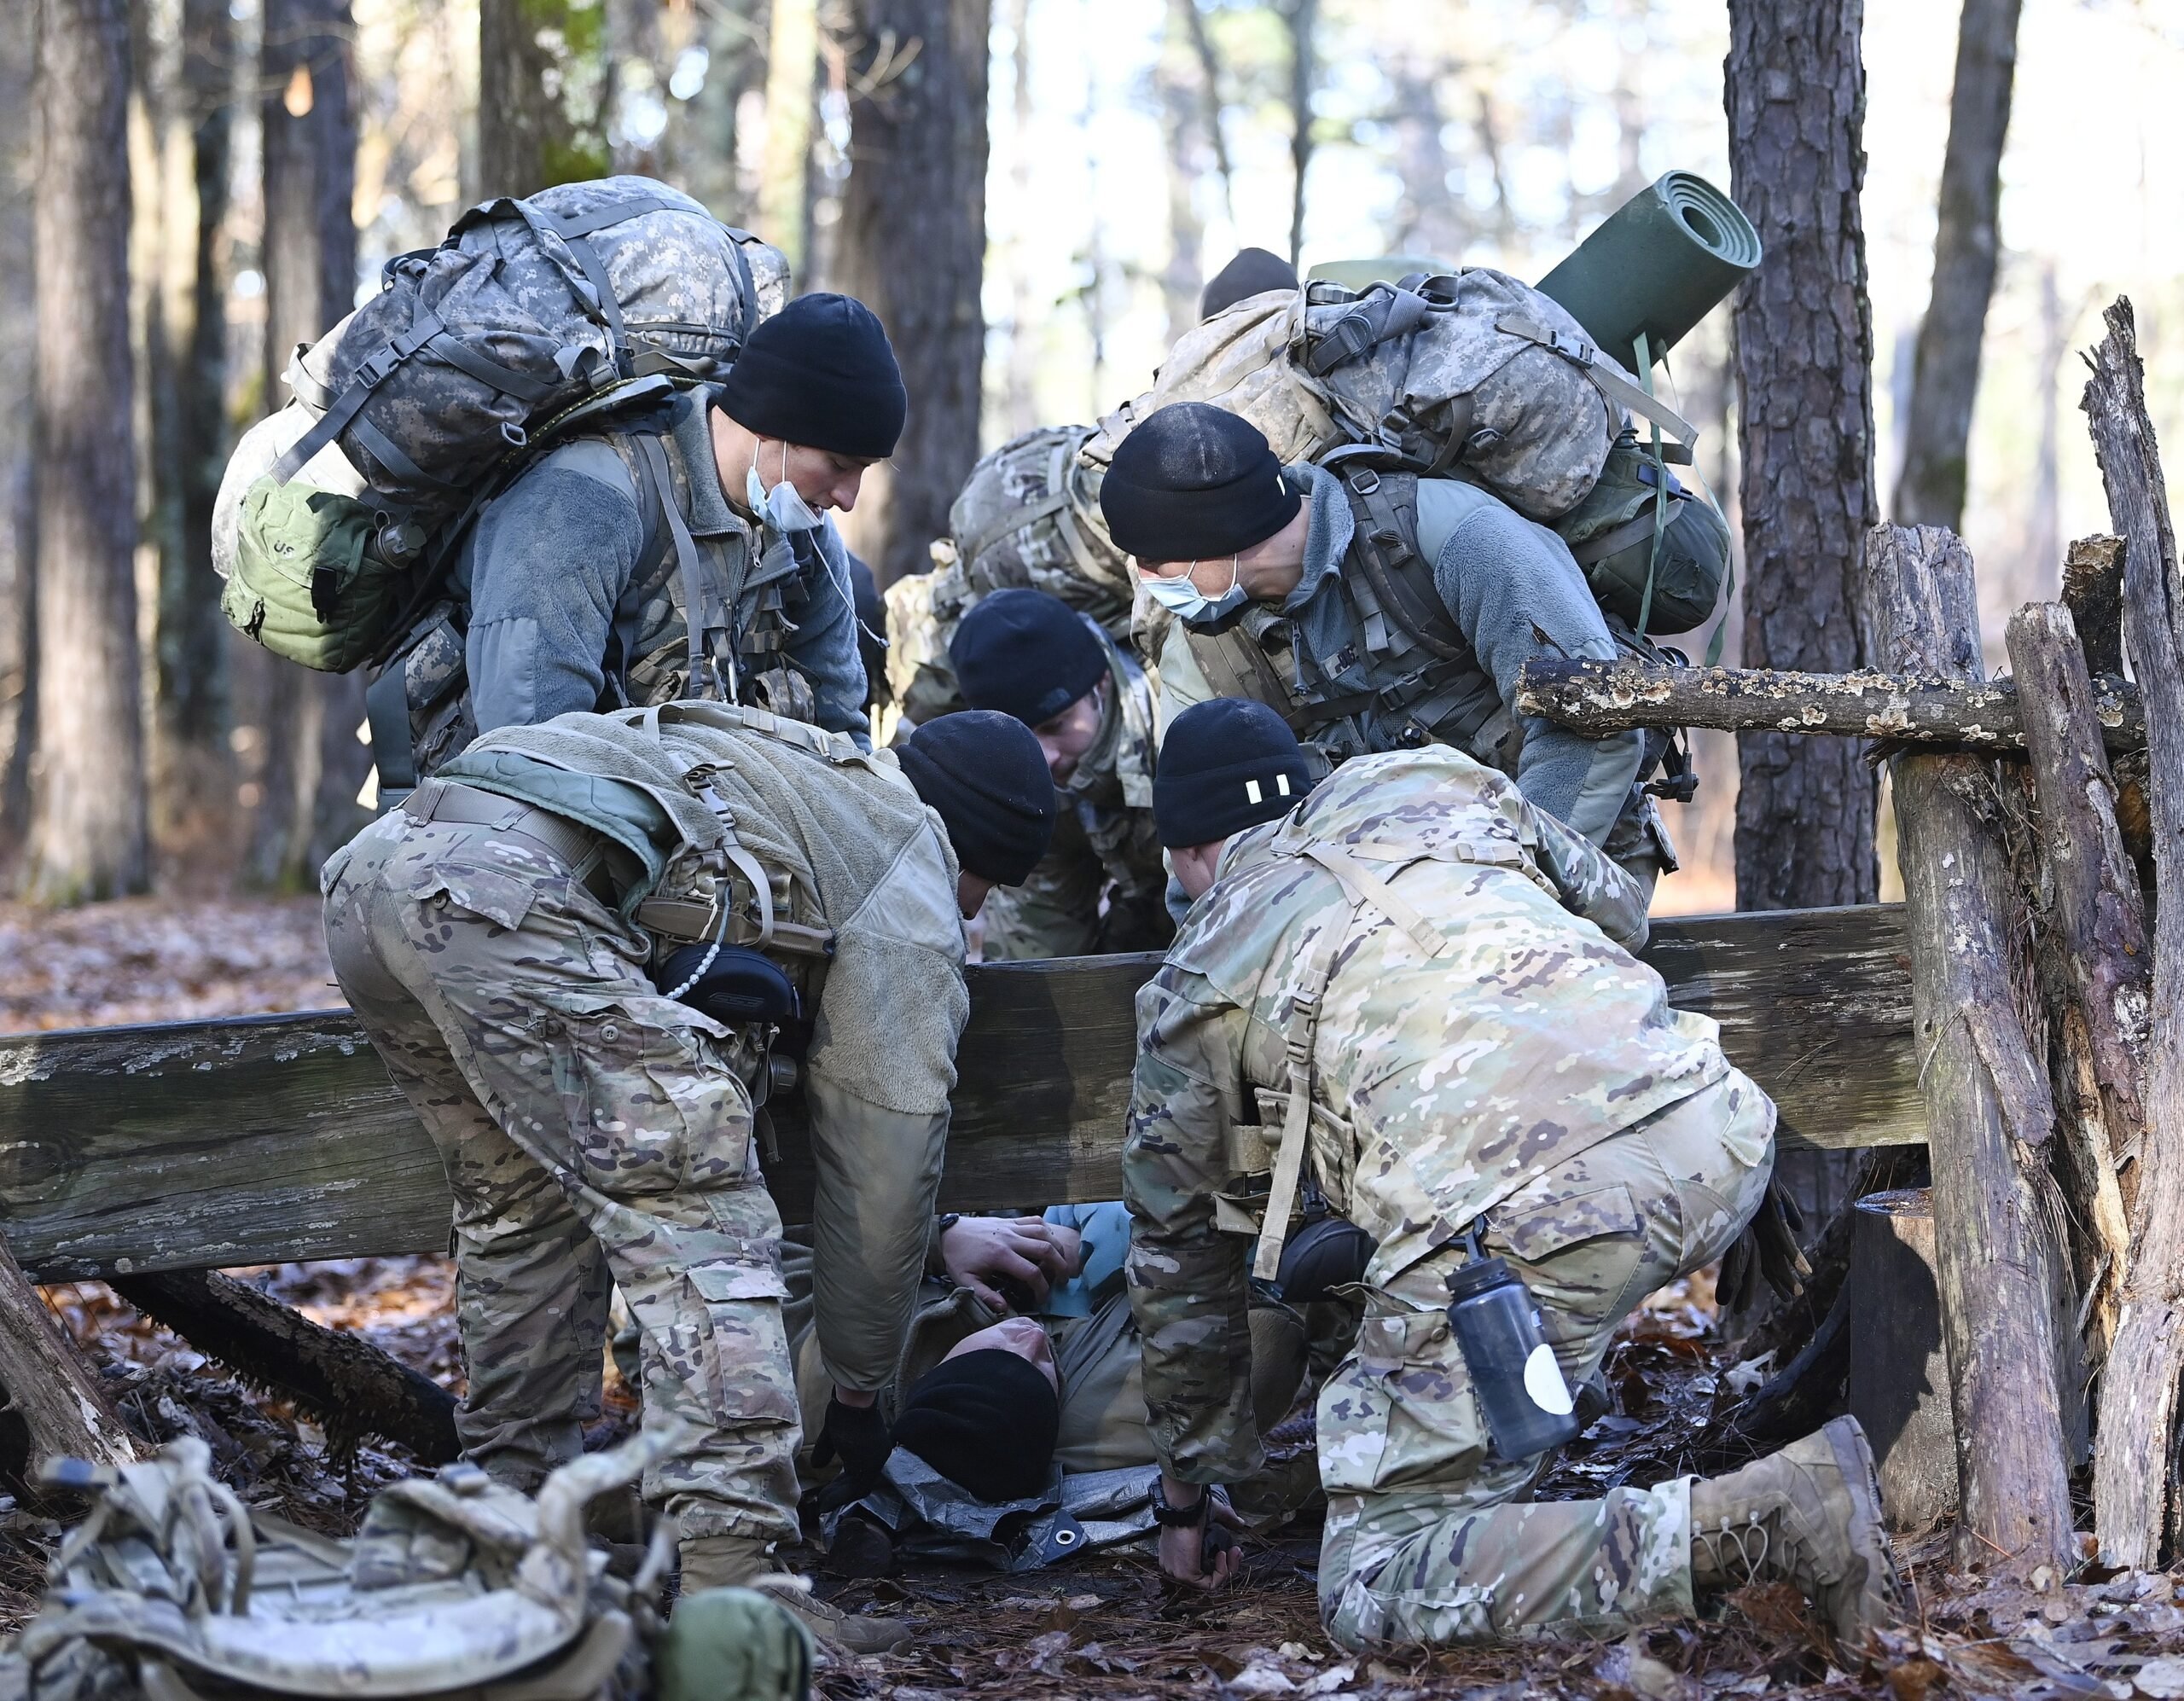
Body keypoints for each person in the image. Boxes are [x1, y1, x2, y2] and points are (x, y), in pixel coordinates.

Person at [1122, 697, 1902, 1651]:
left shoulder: (1200, 968)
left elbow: (1178, 1261)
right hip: (1716, 1127)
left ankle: (1765, 1515)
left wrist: (1188, 1487)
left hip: (1538, 1216)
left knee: (1370, 1586)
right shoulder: (1428, 778)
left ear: (1191, 851)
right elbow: (1617, 906)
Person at [321, 700, 1056, 1651]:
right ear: (976, 857)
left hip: (384, 872)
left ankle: (505, 1537)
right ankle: (737, 1591)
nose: (970, 919)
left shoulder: (811, 772)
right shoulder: (908, 860)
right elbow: (889, 1150)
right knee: (705, 1219)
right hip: (510, 895)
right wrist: (863, 1385)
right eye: (978, 896)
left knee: (523, 1215)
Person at [1099, 400, 1676, 891]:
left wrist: (1507, 898)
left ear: (1214, 543)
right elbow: (1197, 837)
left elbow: (1594, 730)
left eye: (1153, 562)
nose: (1147, 581)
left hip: (1568, 865)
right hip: (1374, 920)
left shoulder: (1451, 534)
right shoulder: (1204, 652)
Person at [445, 292, 906, 755]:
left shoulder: (806, 538)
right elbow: (530, 746)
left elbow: (843, 734)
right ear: (773, 423)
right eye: (840, 465)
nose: (849, 499)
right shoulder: (585, 502)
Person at [948, 588, 1169, 957]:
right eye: (1020, 738)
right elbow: (1036, 936)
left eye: (1056, 726)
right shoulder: (1023, 781)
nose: (1044, 759)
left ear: (1100, 686)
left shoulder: (1179, 716)